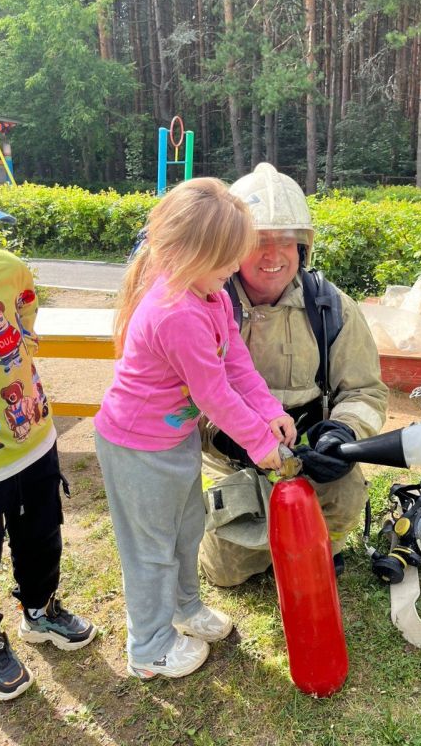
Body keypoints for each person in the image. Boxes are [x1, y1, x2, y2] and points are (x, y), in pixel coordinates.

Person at [94, 178, 296, 681]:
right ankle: (150, 646)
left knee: (186, 531)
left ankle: (184, 608)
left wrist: (268, 409)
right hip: (136, 449)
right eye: (228, 259)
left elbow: (237, 364)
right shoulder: (176, 313)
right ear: (191, 254)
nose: (235, 269)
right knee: (150, 552)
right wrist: (259, 442)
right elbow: (213, 395)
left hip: (172, 440)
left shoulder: (211, 294)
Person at [199, 163, 388, 586]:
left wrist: (341, 433)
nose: (273, 255)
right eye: (258, 242)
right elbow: (179, 402)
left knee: (346, 494)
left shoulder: (331, 306)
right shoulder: (206, 306)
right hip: (232, 457)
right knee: (226, 571)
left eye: (286, 241)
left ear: (303, 248)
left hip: (308, 449)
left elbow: (366, 390)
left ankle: (325, 549)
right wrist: (228, 434)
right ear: (231, 250)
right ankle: (267, 551)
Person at [0, 223, 97, 702]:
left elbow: (27, 326)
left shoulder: (11, 269)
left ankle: (40, 607)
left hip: (32, 434)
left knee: (42, 532)